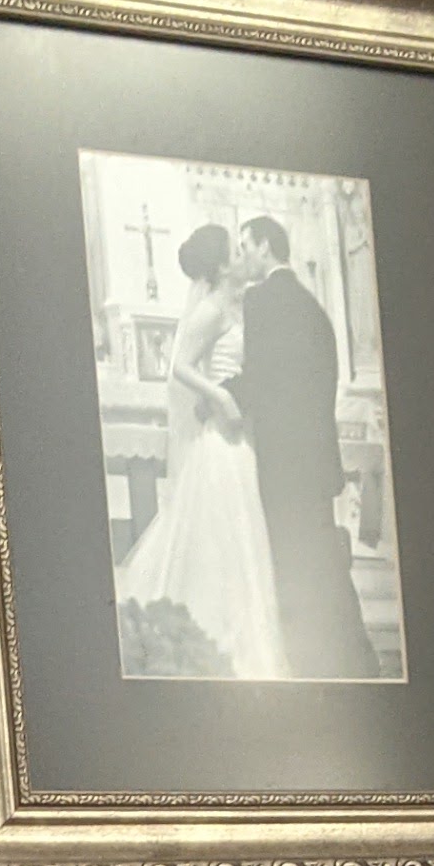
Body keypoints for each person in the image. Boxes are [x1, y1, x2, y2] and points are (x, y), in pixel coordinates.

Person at [116, 223, 289, 682]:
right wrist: (221, 396)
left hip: (243, 435)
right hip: (219, 441)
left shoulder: (242, 303)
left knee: (244, 538)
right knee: (221, 536)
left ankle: (246, 641)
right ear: (222, 266)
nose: (243, 256)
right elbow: (179, 366)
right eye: (236, 251)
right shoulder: (211, 310)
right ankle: (214, 641)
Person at [234, 216, 379, 681]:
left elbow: (259, 378)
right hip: (315, 462)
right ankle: (353, 657)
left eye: (245, 247)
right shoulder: (314, 308)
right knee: (324, 560)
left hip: (281, 462)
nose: (242, 257)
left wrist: (220, 394)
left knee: (288, 560)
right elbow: (319, 384)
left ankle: (304, 662)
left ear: (265, 247)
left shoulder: (259, 301)